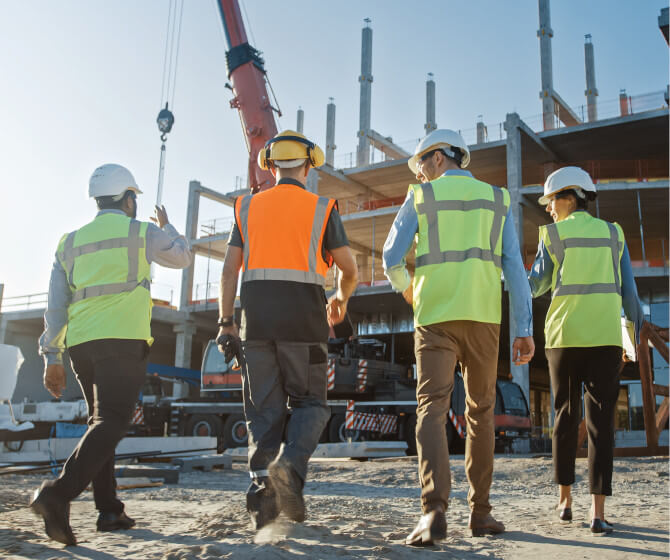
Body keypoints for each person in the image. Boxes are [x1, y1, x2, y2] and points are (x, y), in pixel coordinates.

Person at [383, 129, 535, 546]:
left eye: (420, 166)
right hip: (485, 318)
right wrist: (524, 329)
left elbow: (390, 257)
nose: (421, 175)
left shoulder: (421, 197)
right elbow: (515, 270)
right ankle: (481, 513)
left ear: (436, 159)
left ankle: (433, 511)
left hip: (434, 317)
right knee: (481, 414)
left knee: (431, 410)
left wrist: (409, 289)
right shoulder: (498, 199)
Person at [33, 163, 192, 545]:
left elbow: (55, 306)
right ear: (129, 199)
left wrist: (51, 356)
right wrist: (168, 228)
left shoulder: (69, 241)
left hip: (81, 345)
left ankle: (109, 510)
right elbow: (183, 257)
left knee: (99, 424)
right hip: (122, 341)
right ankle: (57, 495)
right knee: (113, 422)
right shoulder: (142, 232)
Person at [217, 130, 358, 531]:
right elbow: (350, 270)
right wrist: (340, 300)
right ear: (309, 164)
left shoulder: (246, 207)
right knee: (311, 405)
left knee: (265, 413)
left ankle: (264, 502)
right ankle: (290, 467)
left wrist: (226, 322)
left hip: (256, 327)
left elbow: (229, 270)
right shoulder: (322, 208)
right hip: (305, 326)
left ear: (270, 164)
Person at [528, 166, 644, 534]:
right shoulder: (614, 234)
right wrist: (632, 340)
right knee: (601, 425)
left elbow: (535, 287)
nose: (548, 208)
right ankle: (598, 513)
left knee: (563, 415)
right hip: (605, 339)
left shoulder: (552, 236)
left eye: (551, 201)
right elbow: (631, 296)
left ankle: (564, 502)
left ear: (570, 197)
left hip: (563, 338)